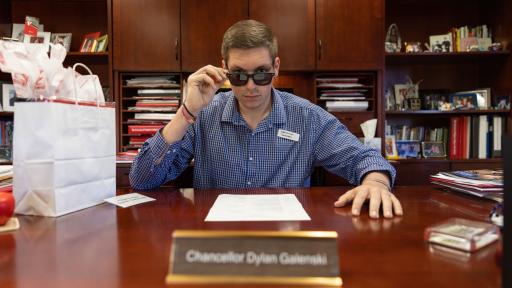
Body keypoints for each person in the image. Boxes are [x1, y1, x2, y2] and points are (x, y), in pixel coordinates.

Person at [130, 20, 403, 219]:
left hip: (286, 239)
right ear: (223, 70)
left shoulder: (306, 117)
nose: (250, 86)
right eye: (238, 75)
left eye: (261, 73)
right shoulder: (202, 115)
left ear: (276, 68)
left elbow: (363, 157)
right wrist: (187, 111)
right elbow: (142, 179)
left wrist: (375, 183)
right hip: (214, 241)